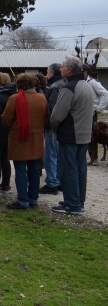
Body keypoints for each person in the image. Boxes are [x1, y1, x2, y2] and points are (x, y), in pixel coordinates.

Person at [50, 57, 94, 214]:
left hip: (70, 135)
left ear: (69, 70)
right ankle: (78, 201)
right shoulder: (86, 85)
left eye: (62, 67)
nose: (60, 70)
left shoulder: (69, 87)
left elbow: (57, 115)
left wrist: (53, 126)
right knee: (80, 169)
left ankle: (72, 204)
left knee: (69, 169)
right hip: (84, 134)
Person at [1, 74, 49, 209]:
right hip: (37, 139)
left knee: (21, 171)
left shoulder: (15, 98)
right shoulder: (42, 98)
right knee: (34, 171)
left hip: (20, 139)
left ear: (18, 84)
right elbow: (46, 116)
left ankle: (23, 200)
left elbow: (6, 120)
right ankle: (33, 199)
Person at [40, 63, 65, 194]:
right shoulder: (63, 84)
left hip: (53, 127)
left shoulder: (55, 87)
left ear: (52, 73)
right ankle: (58, 180)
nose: (47, 74)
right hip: (61, 127)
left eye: (47, 72)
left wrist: (48, 125)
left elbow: (52, 109)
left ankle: (52, 182)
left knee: (50, 155)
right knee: (58, 155)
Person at [81, 63, 108, 165]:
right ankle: (91, 157)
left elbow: (105, 93)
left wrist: (99, 108)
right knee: (87, 136)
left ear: (85, 72)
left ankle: (94, 158)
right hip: (84, 114)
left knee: (93, 136)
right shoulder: (82, 82)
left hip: (91, 113)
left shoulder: (92, 83)